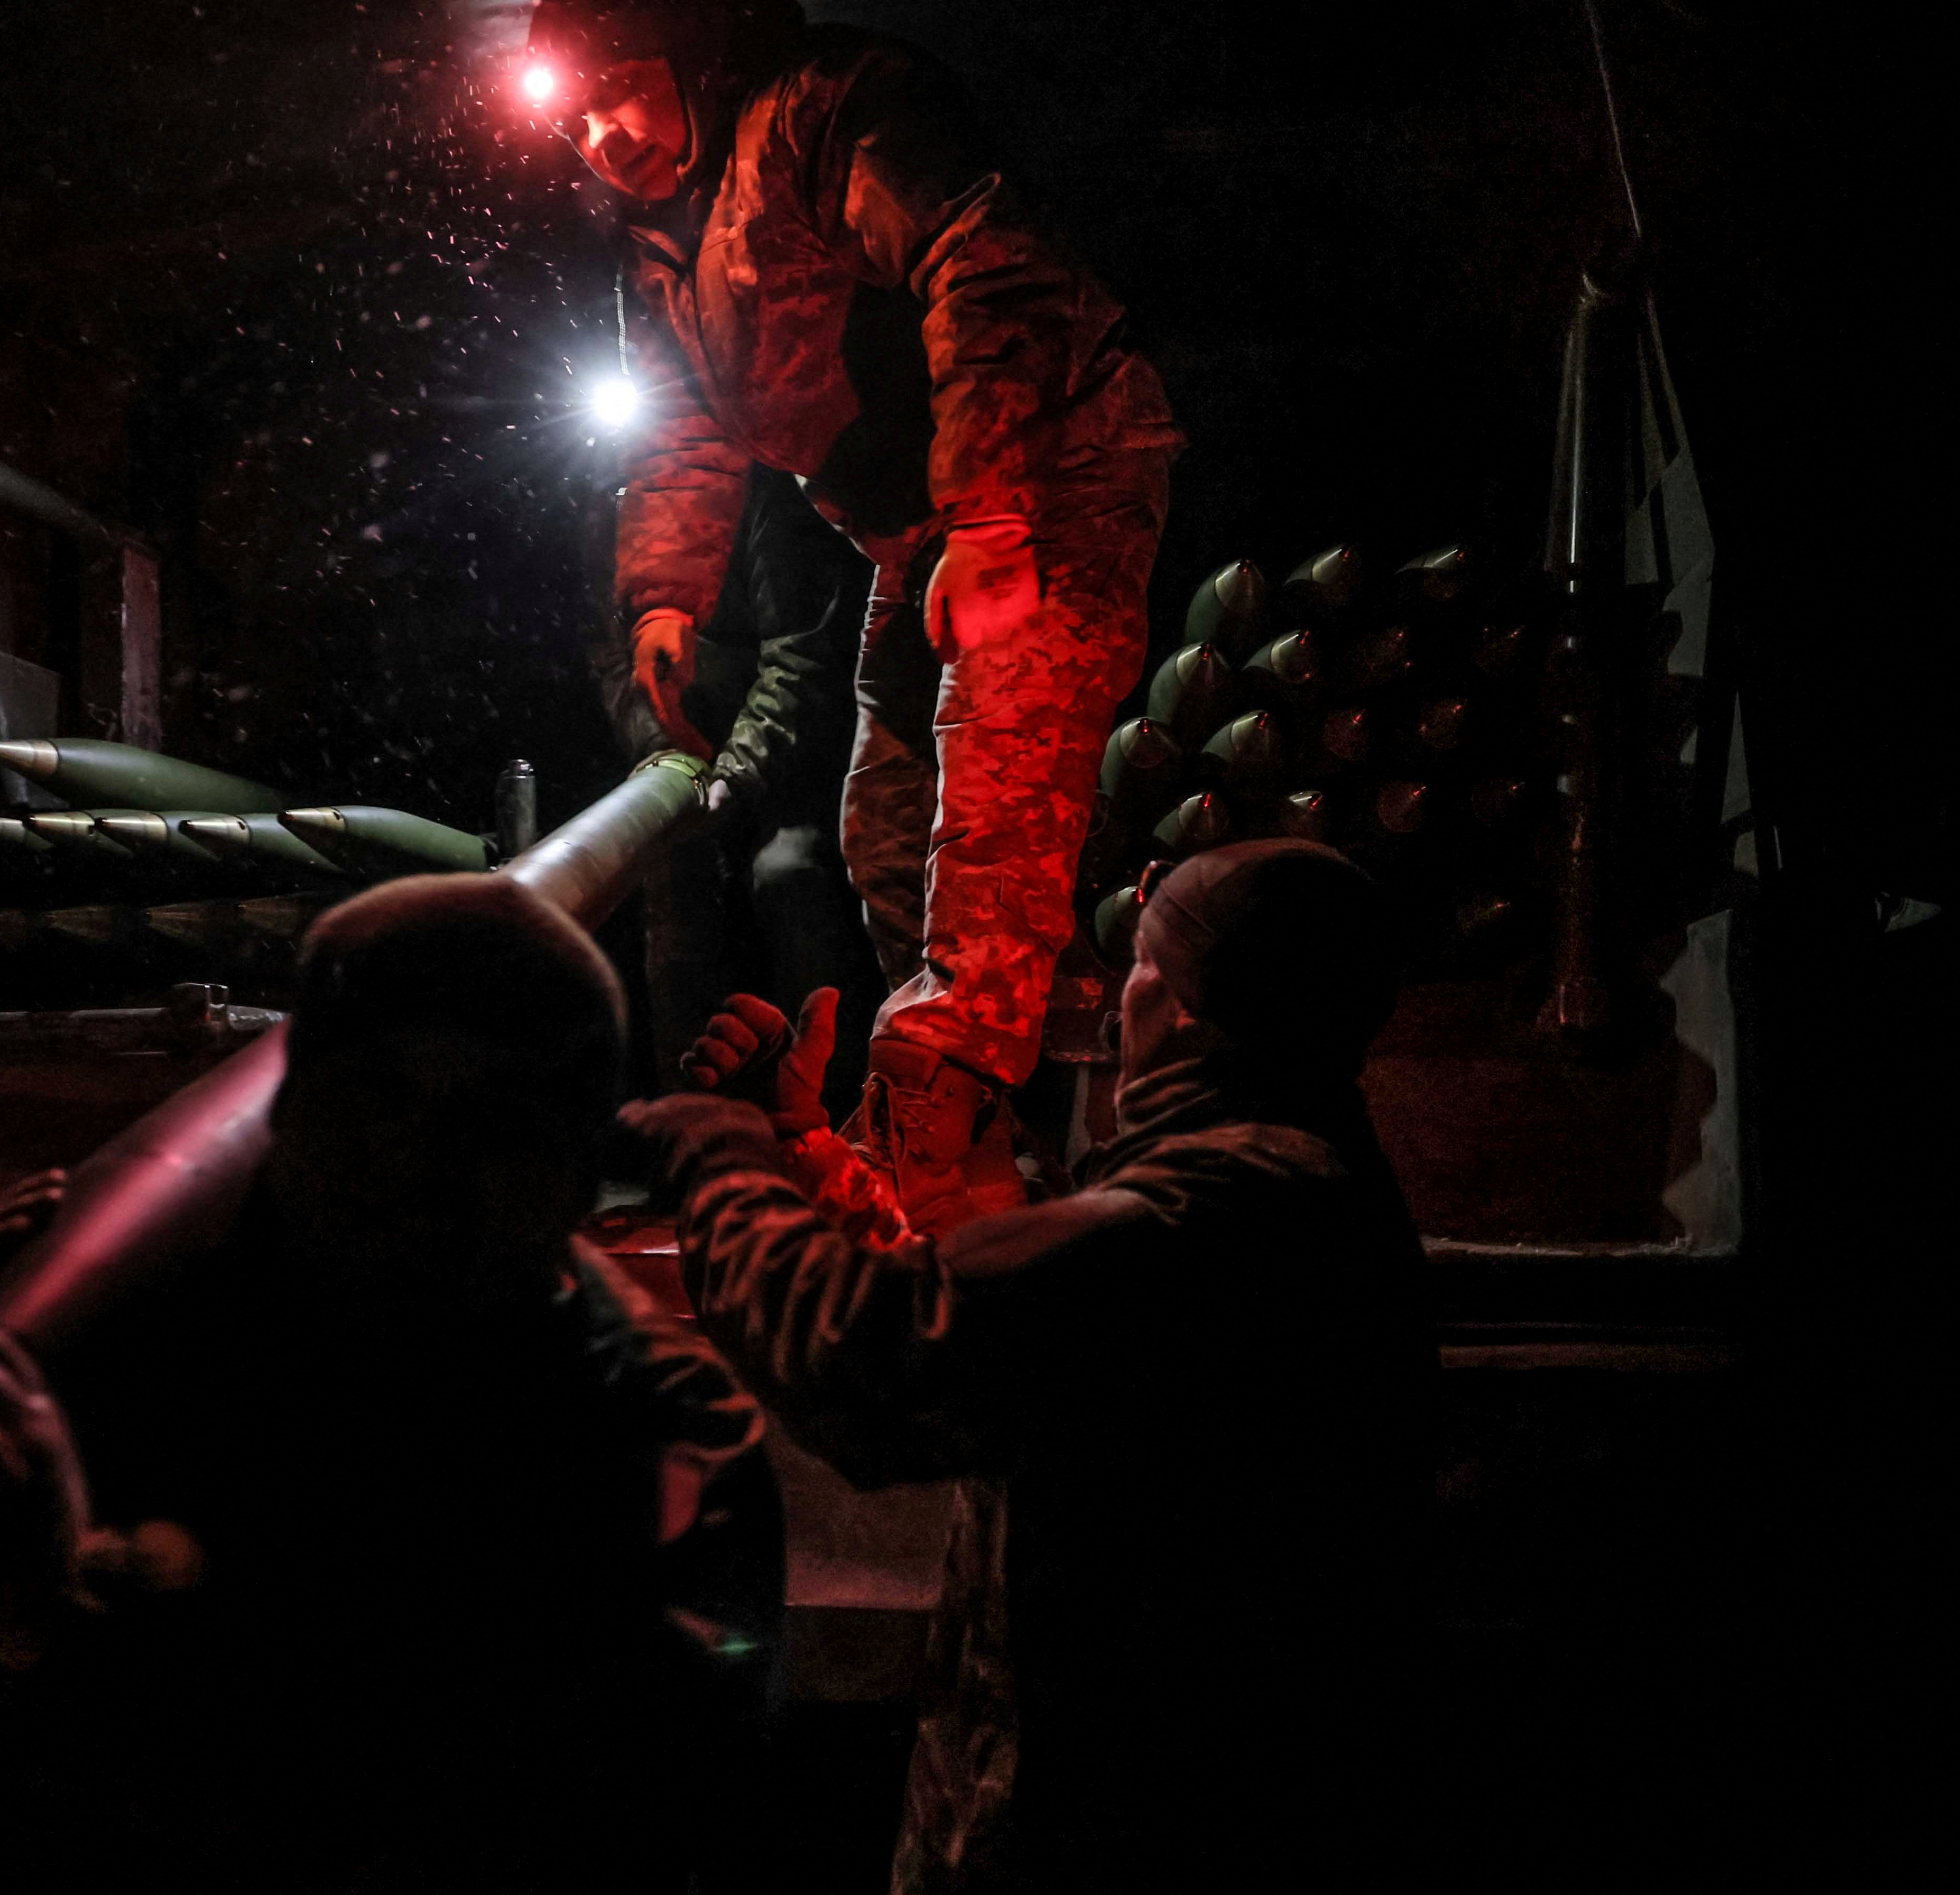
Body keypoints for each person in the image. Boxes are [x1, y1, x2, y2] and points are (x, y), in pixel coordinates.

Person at [0, 874, 781, 1893]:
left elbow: (556, 1811)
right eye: (375, 1097)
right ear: (289, 1111)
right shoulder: (139, 1320)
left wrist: (72, 1636)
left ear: (583, 1167)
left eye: (491, 1123)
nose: (414, 1161)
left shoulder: (659, 1427)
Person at [621, 839, 1429, 1890]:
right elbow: (977, 1300)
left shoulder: (1197, 1224)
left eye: (1141, 965)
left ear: (1185, 1007)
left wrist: (725, 1163)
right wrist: (798, 1141)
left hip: (1099, 1835)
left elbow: (869, 1355)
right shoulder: (1293, 1187)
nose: (1108, 1007)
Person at [528, 0, 1181, 1231]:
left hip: (1048, 473)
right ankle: (1003, 1147)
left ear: (690, 61)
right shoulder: (666, 246)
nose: (601, 135)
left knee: (997, 816)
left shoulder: (822, 119)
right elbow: (679, 424)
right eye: (571, 117)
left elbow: (983, 260)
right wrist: (666, 594)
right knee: (886, 830)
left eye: (619, 86)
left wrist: (991, 514)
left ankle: (982, 1182)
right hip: (929, 525)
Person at [600, 461, 883, 1121]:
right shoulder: (613, 512)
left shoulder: (768, 496)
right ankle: (691, 1134)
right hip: (689, 764)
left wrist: (734, 775)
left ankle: (833, 1116)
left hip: (799, 760)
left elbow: (802, 659)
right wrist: (664, 758)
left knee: (791, 877)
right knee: (672, 898)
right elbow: (615, 661)